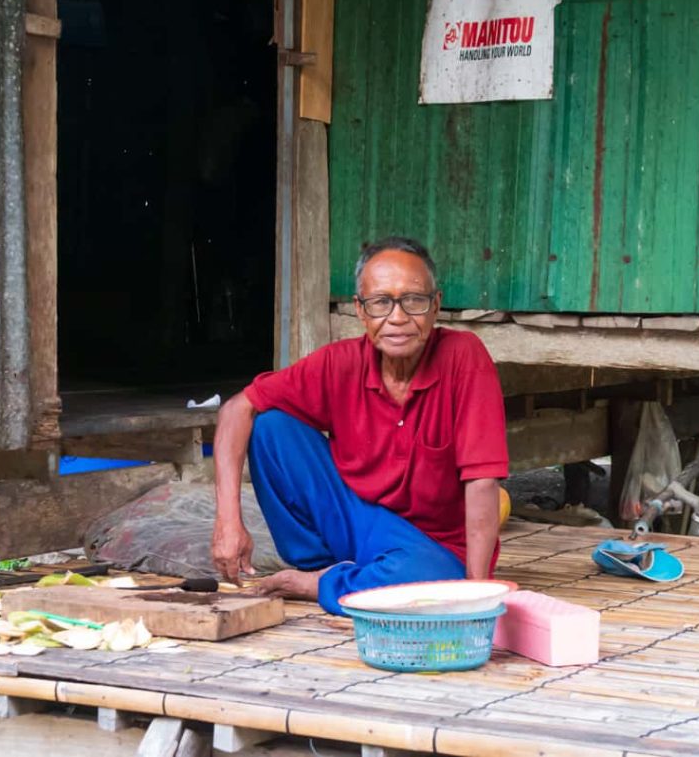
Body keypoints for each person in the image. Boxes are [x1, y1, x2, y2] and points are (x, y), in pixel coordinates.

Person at [211, 237, 509, 614]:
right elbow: (237, 409)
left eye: (413, 301)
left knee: (433, 582)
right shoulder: (340, 363)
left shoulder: (463, 357)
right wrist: (228, 521)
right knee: (271, 427)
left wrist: (476, 592)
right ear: (360, 311)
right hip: (355, 518)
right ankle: (325, 567)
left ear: (435, 306)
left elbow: (482, 482)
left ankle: (318, 585)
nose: (397, 318)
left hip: (431, 547)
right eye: (380, 302)